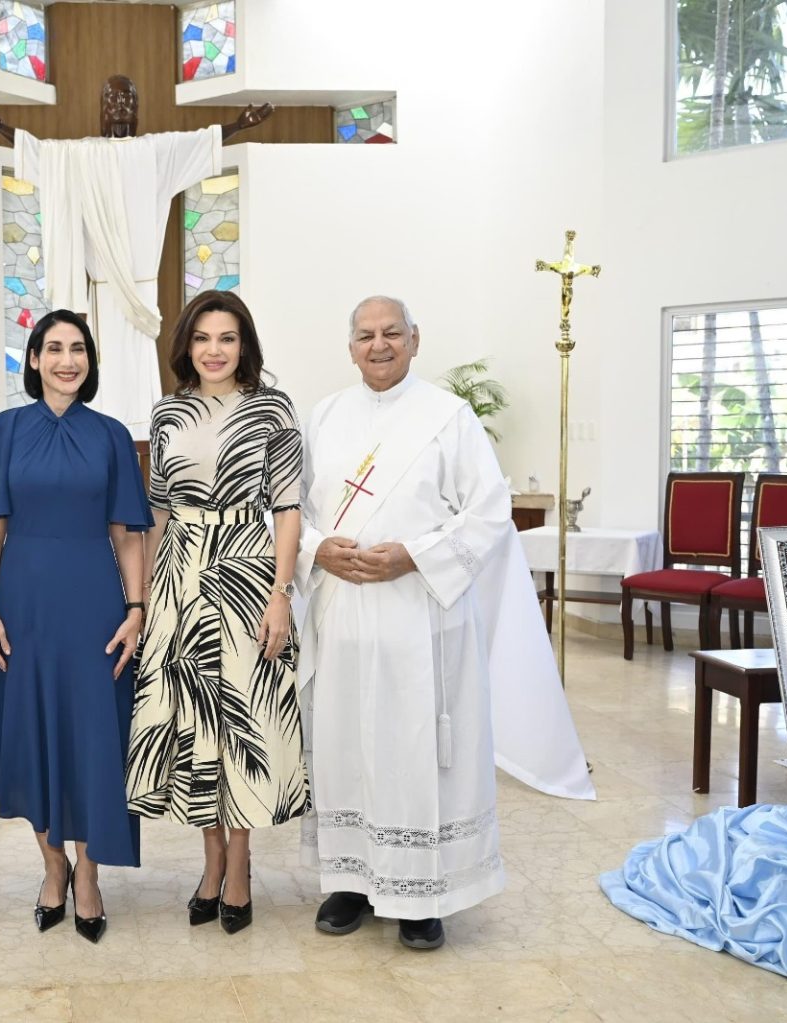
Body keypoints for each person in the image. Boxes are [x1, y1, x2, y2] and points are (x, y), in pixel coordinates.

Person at [297, 295, 516, 949]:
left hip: (419, 616)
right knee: (342, 743)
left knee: (414, 747)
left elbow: (490, 511)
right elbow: (295, 512)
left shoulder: (449, 418)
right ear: (350, 346)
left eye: (392, 332)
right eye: (365, 334)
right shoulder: (325, 416)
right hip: (342, 614)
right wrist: (315, 549)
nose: (379, 344)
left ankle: (423, 893)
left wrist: (413, 555)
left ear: (416, 340)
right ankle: (351, 880)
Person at [124, 289, 308, 935]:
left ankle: (240, 865)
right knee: (196, 723)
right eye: (202, 338)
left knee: (244, 722)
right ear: (187, 346)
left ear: (244, 345)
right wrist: (144, 601)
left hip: (247, 571)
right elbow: (159, 512)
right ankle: (210, 864)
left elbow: (288, 509)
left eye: (226, 338)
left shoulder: (272, 410)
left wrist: (280, 594)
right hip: (180, 573)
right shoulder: (168, 411)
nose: (213, 350)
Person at [0, 309, 153, 944]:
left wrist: (135, 610)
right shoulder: (2, 432)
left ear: (90, 361)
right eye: (54, 349)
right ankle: (53, 867)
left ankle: (90, 875)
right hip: (22, 606)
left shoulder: (110, 437)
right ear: (34, 359)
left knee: (93, 740)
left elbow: (129, 535)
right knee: (29, 736)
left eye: (78, 349)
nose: (66, 360)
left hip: (94, 606)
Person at [0, 77, 272, 437]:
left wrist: (240, 124)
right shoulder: (78, 156)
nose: (120, 104)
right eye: (111, 98)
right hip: (101, 292)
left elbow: (202, 143)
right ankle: (101, 432)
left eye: (128, 97)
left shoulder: (154, 153)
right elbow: (40, 155)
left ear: (138, 107)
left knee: (138, 375)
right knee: (105, 372)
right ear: (100, 108)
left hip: (140, 291)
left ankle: (144, 435)